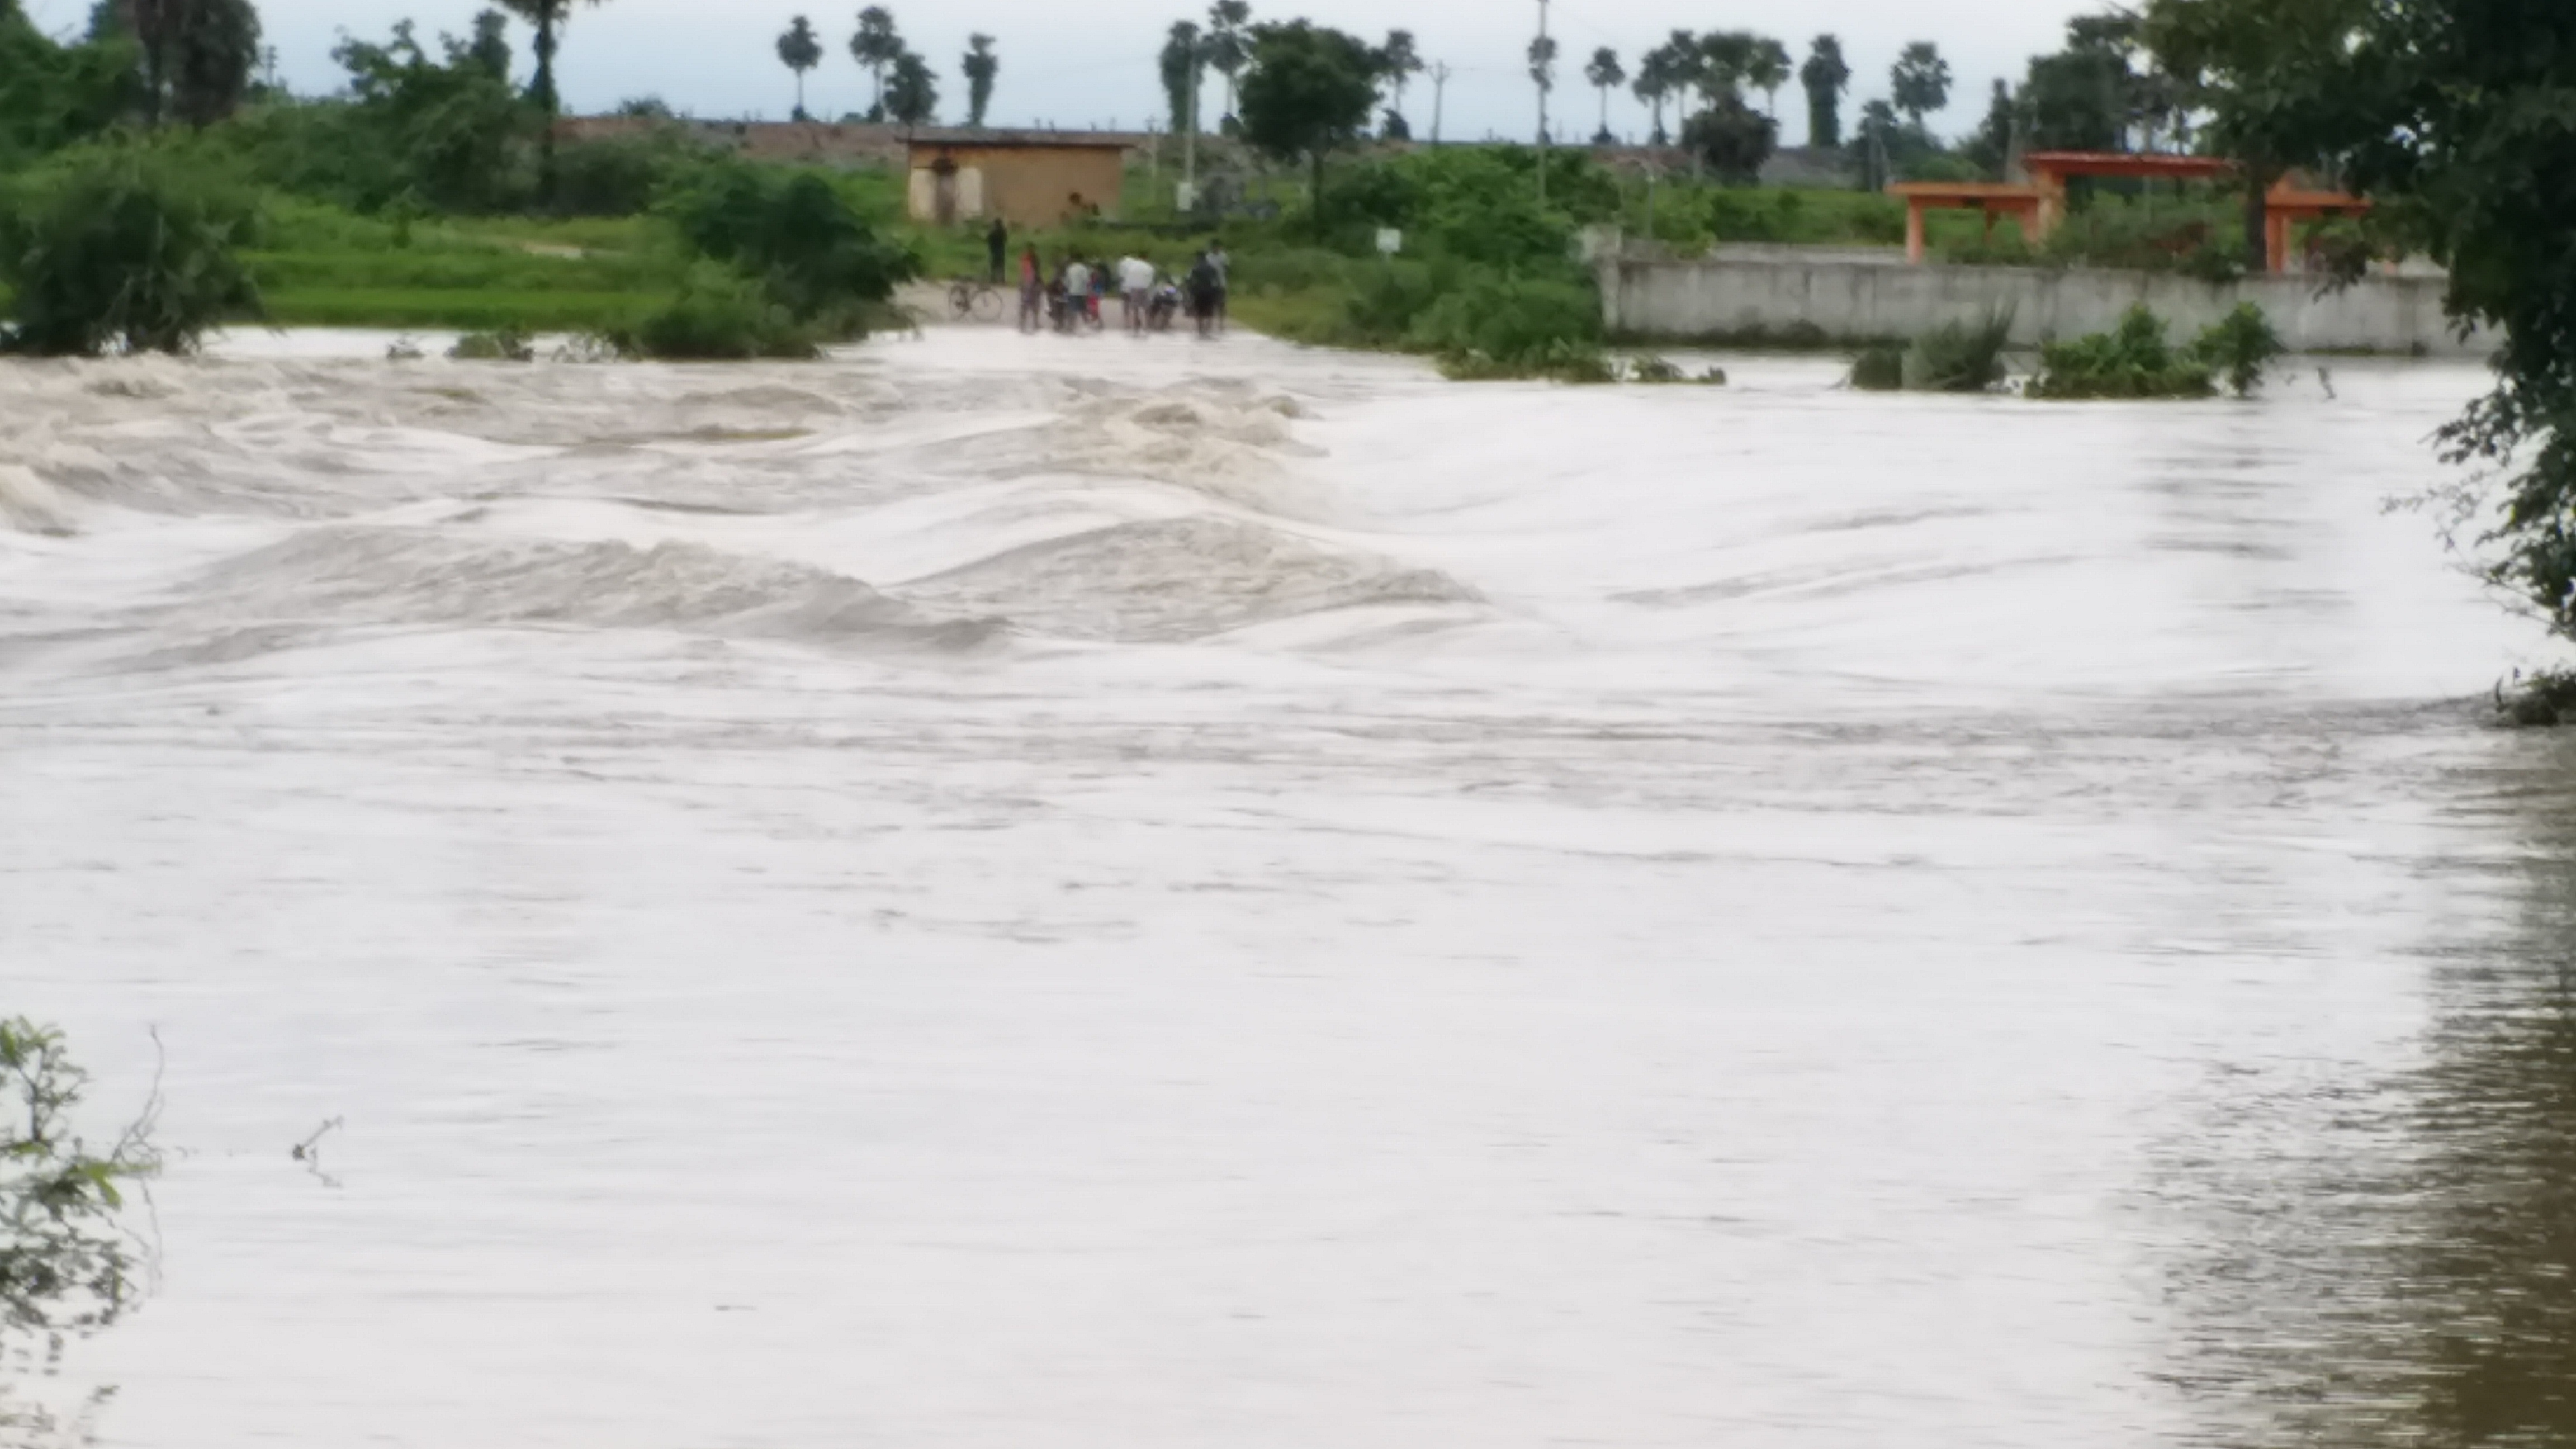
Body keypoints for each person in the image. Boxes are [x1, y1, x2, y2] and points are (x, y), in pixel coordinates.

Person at [1185, 248, 1223, 340]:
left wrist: (1190, 292)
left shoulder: (1195, 268)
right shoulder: (1212, 268)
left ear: (1198, 258)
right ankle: (1207, 329)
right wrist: (1217, 292)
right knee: (1210, 310)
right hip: (1210, 291)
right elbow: (1217, 281)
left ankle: (1200, 330)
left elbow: (1190, 280)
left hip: (1199, 291)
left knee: (1199, 311)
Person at [1116, 252, 1156, 334]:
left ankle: (1135, 326)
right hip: (1144, 288)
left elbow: (1126, 277)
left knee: (1135, 308)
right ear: (1146, 258)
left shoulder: (1132, 267)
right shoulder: (1148, 267)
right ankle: (1146, 326)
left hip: (1133, 288)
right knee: (1146, 307)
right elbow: (1151, 279)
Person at [1016, 244, 1043, 333]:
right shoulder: (1029, 260)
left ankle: (1024, 323)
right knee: (1031, 304)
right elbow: (1031, 273)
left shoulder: (1026, 259)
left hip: (1028, 284)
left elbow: (1025, 273)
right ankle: (1030, 323)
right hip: (1030, 284)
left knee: (1028, 304)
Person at [1059, 255, 1090, 333]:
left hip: (1072, 292)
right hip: (1082, 292)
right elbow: (1087, 280)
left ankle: (1071, 327)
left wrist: (1066, 288)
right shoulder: (1084, 269)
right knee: (1083, 310)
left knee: (1072, 310)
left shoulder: (1070, 268)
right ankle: (1087, 326)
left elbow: (1067, 282)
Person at [1206, 238, 1230, 334]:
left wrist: (1223, 277)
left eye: (1217, 247)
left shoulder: (1223, 256)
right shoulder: (1209, 257)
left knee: (1221, 305)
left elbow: (1227, 268)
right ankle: (1210, 323)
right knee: (1210, 305)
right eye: (1214, 247)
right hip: (1211, 284)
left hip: (1221, 283)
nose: (1216, 249)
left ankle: (1221, 324)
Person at [986, 219, 1008, 284]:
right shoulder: (1003, 231)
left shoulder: (993, 231)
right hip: (1001, 250)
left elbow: (988, 239)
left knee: (994, 265)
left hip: (994, 250)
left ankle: (993, 279)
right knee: (1001, 265)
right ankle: (1002, 279)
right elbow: (1005, 239)